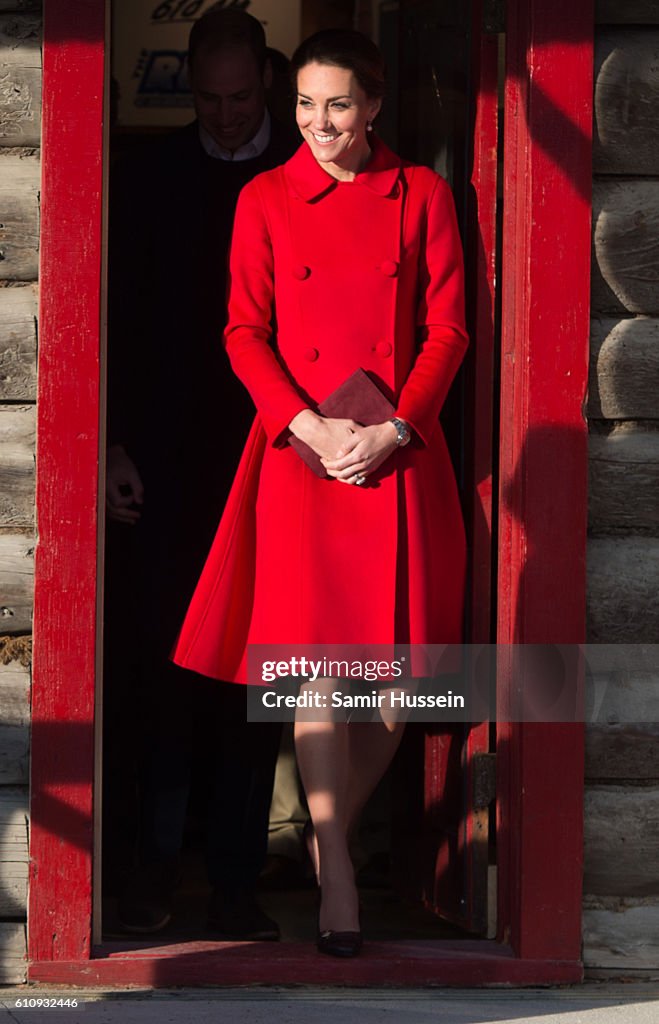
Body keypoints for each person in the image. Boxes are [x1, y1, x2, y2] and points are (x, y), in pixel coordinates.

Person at [172, 29, 468, 957]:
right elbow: (242, 332)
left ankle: (319, 830)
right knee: (315, 675)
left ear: (374, 105)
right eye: (304, 104)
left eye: (337, 105)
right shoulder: (263, 198)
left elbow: (448, 330)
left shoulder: (420, 194)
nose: (319, 124)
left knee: (397, 692)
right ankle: (337, 874)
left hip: (394, 455)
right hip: (300, 459)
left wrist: (394, 428)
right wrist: (302, 426)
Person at [104, 8, 299, 940]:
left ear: (267, 81)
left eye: (242, 98)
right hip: (163, 468)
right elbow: (112, 325)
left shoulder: (307, 176)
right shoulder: (146, 178)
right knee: (160, 673)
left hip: (272, 462)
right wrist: (106, 445)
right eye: (210, 99)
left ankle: (233, 879)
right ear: (189, 83)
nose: (226, 116)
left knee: (256, 680)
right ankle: (151, 870)